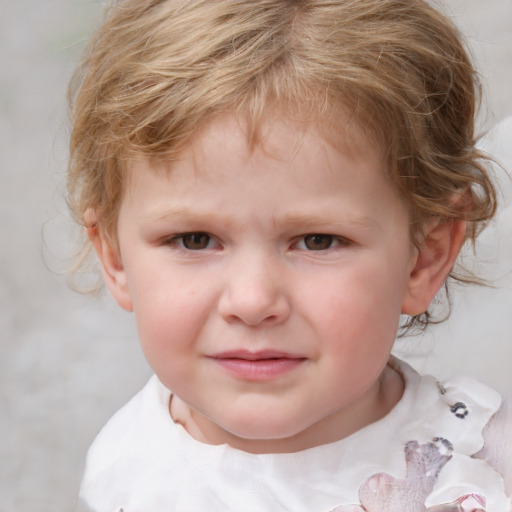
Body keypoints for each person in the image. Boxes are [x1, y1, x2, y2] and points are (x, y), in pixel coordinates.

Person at [67, 0, 511, 510]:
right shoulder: (126, 469)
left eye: (317, 241)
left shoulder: (486, 463)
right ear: (116, 257)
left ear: (424, 258)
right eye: (194, 240)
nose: (253, 301)